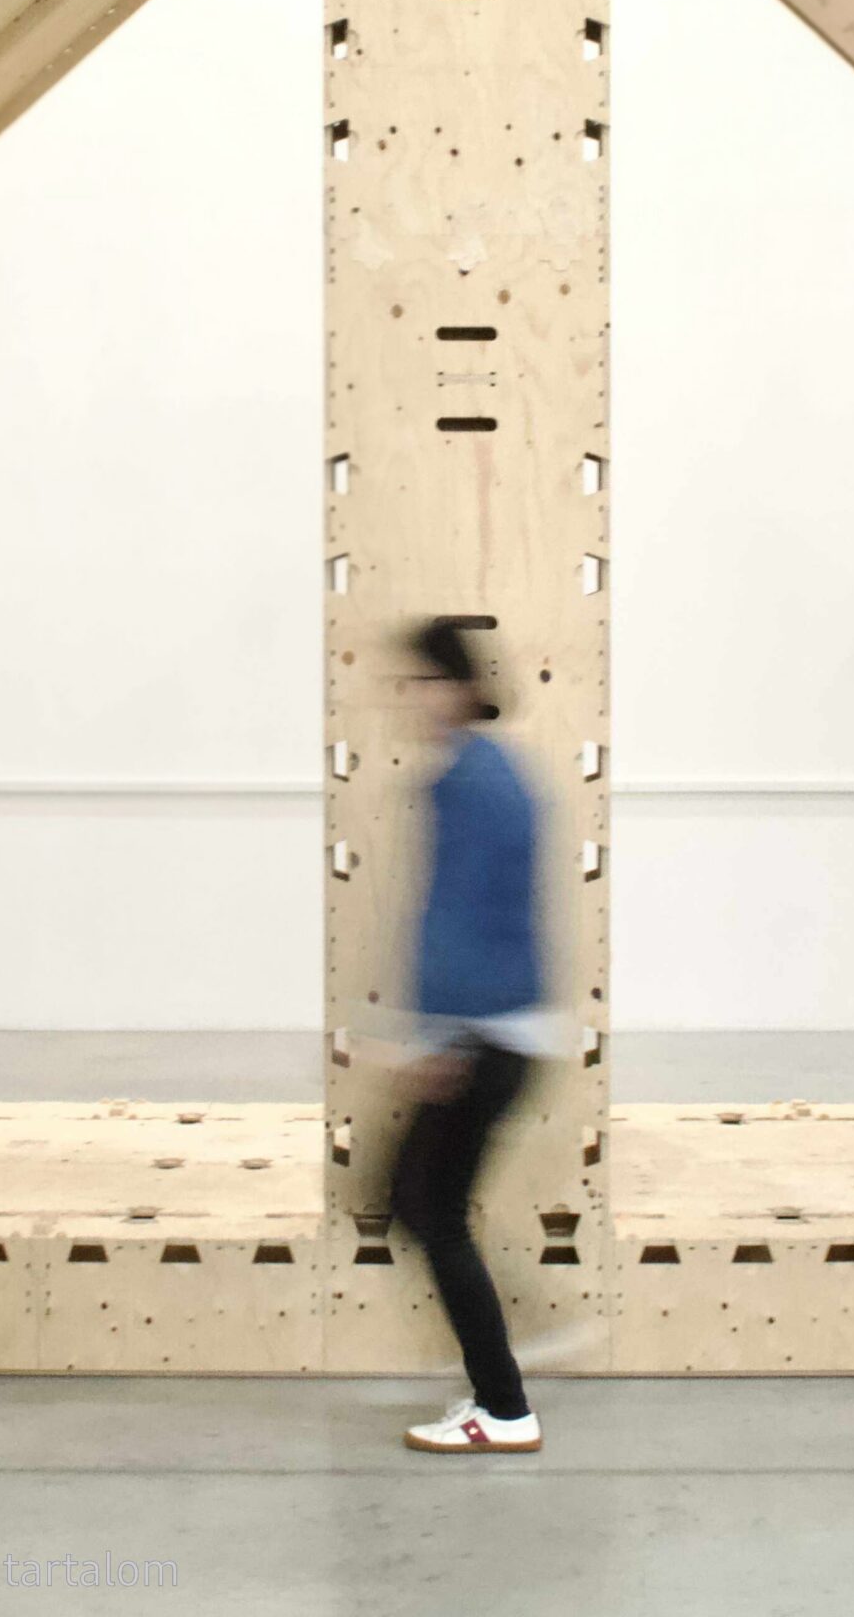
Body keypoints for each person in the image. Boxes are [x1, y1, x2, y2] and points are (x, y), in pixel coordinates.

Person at [388, 616, 550, 1456]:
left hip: (484, 1037)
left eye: (421, 682)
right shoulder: (495, 770)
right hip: (499, 1032)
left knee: (428, 1208)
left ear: (456, 688)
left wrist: (439, 1039)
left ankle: (504, 1406)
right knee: (415, 1202)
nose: (409, 699)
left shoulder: (467, 783)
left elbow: (458, 915)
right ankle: (501, 1388)